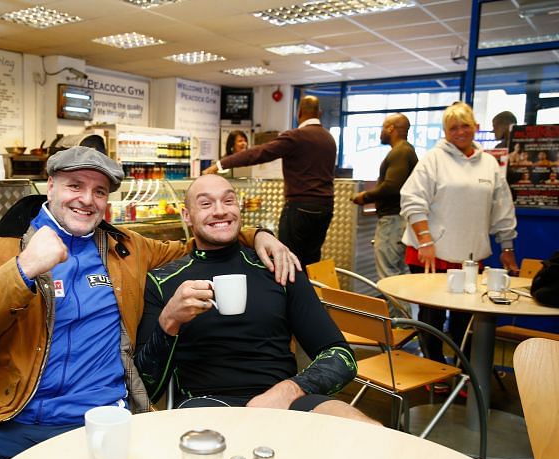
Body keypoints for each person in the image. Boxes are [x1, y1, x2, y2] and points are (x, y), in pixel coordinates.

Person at [0, 147, 298, 459]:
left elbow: (197, 245)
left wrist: (257, 234)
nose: (87, 199)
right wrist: (22, 270)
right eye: (75, 185)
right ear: (50, 186)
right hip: (2, 415)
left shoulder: (127, 248)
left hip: (101, 419)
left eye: (98, 192)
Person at [134, 174, 379, 425]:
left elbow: (341, 357)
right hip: (206, 405)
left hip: (286, 402)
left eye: (228, 201)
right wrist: (169, 322)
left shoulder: (279, 267)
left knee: (369, 432)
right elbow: (145, 389)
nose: (220, 211)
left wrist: (289, 390)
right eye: (206, 204)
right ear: (187, 215)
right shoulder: (163, 282)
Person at [400, 102, 518, 366]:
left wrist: (507, 247)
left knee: (464, 318)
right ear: (445, 131)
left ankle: (464, 370)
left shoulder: (489, 163)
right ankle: (434, 367)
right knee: (432, 317)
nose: (460, 132)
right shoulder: (433, 159)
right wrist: (426, 240)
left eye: (465, 125)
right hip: (430, 252)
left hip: (470, 254)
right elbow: (411, 200)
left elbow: (502, 208)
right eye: (453, 127)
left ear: (476, 127)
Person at [202, 95, 336, 266]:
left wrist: (220, 164)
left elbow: (260, 153)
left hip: (301, 207)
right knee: (312, 258)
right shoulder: (329, 138)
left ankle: (292, 292)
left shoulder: (296, 136)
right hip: (325, 207)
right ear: (320, 113)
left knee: (289, 258)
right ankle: (312, 291)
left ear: (299, 112)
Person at [351, 113, 418, 317]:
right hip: (400, 220)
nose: (380, 132)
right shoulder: (407, 151)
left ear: (391, 128)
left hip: (392, 221)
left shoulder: (400, 152)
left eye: (382, 127)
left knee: (388, 276)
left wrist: (365, 196)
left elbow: (392, 186)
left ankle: (399, 325)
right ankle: (406, 321)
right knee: (398, 274)